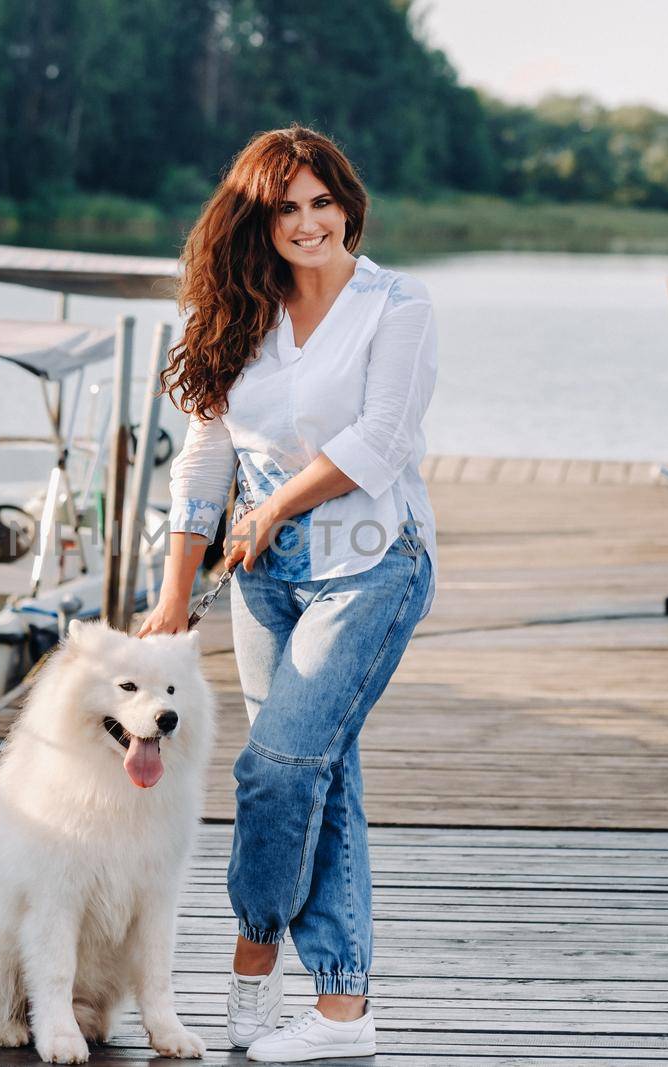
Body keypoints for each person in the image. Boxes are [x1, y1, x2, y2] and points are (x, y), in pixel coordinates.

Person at [136, 124, 438, 1063]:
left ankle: (249, 967)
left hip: (373, 559)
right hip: (261, 582)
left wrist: (269, 514)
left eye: (323, 202)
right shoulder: (235, 312)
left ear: (349, 202)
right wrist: (174, 591)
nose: (311, 223)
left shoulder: (397, 305)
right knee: (320, 773)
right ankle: (344, 1010)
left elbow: (382, 440)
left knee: (275, 767)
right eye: (288, 208)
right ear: (258, 222)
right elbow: (207, 454)